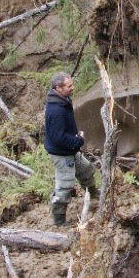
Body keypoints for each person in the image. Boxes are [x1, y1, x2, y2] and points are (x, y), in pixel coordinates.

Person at [44, 72, 95, 227]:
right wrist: (78, 140)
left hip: (70, 149)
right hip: (62, 154)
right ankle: (59, 220)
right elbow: (58, 138)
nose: (73, 88)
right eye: (69, 86)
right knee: (64, 186)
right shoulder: (56, 110)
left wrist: (75, 139)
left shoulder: (62, 100)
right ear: (58, 88)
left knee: (86, 169)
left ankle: (94, 195)